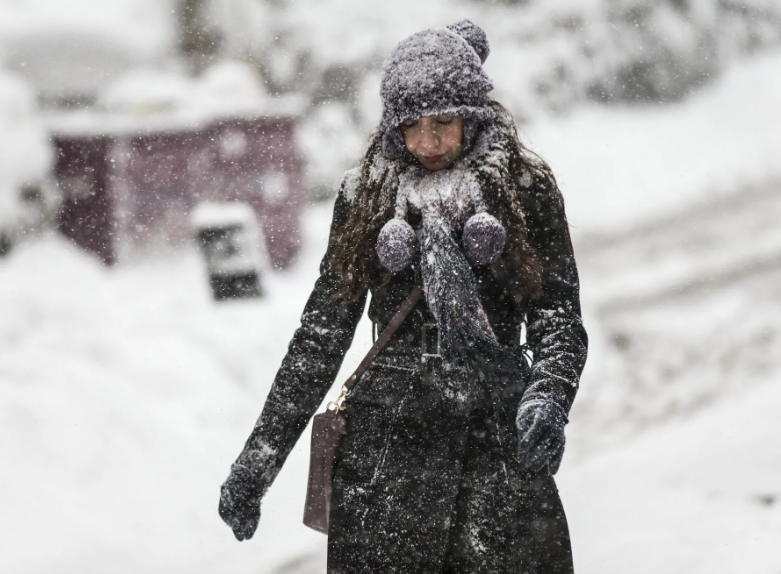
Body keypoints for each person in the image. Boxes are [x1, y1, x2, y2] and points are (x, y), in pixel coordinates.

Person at [219, 19, 588, 574]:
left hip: (496, 449)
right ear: (392, 127)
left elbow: (558, 315)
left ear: (474, 117)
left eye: (444, 122)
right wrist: (259, 460)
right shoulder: (365, 195)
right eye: (412, 126)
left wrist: (548, 396)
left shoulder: (524, 188)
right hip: (388, 466)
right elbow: (321, 335)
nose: (429, 141)